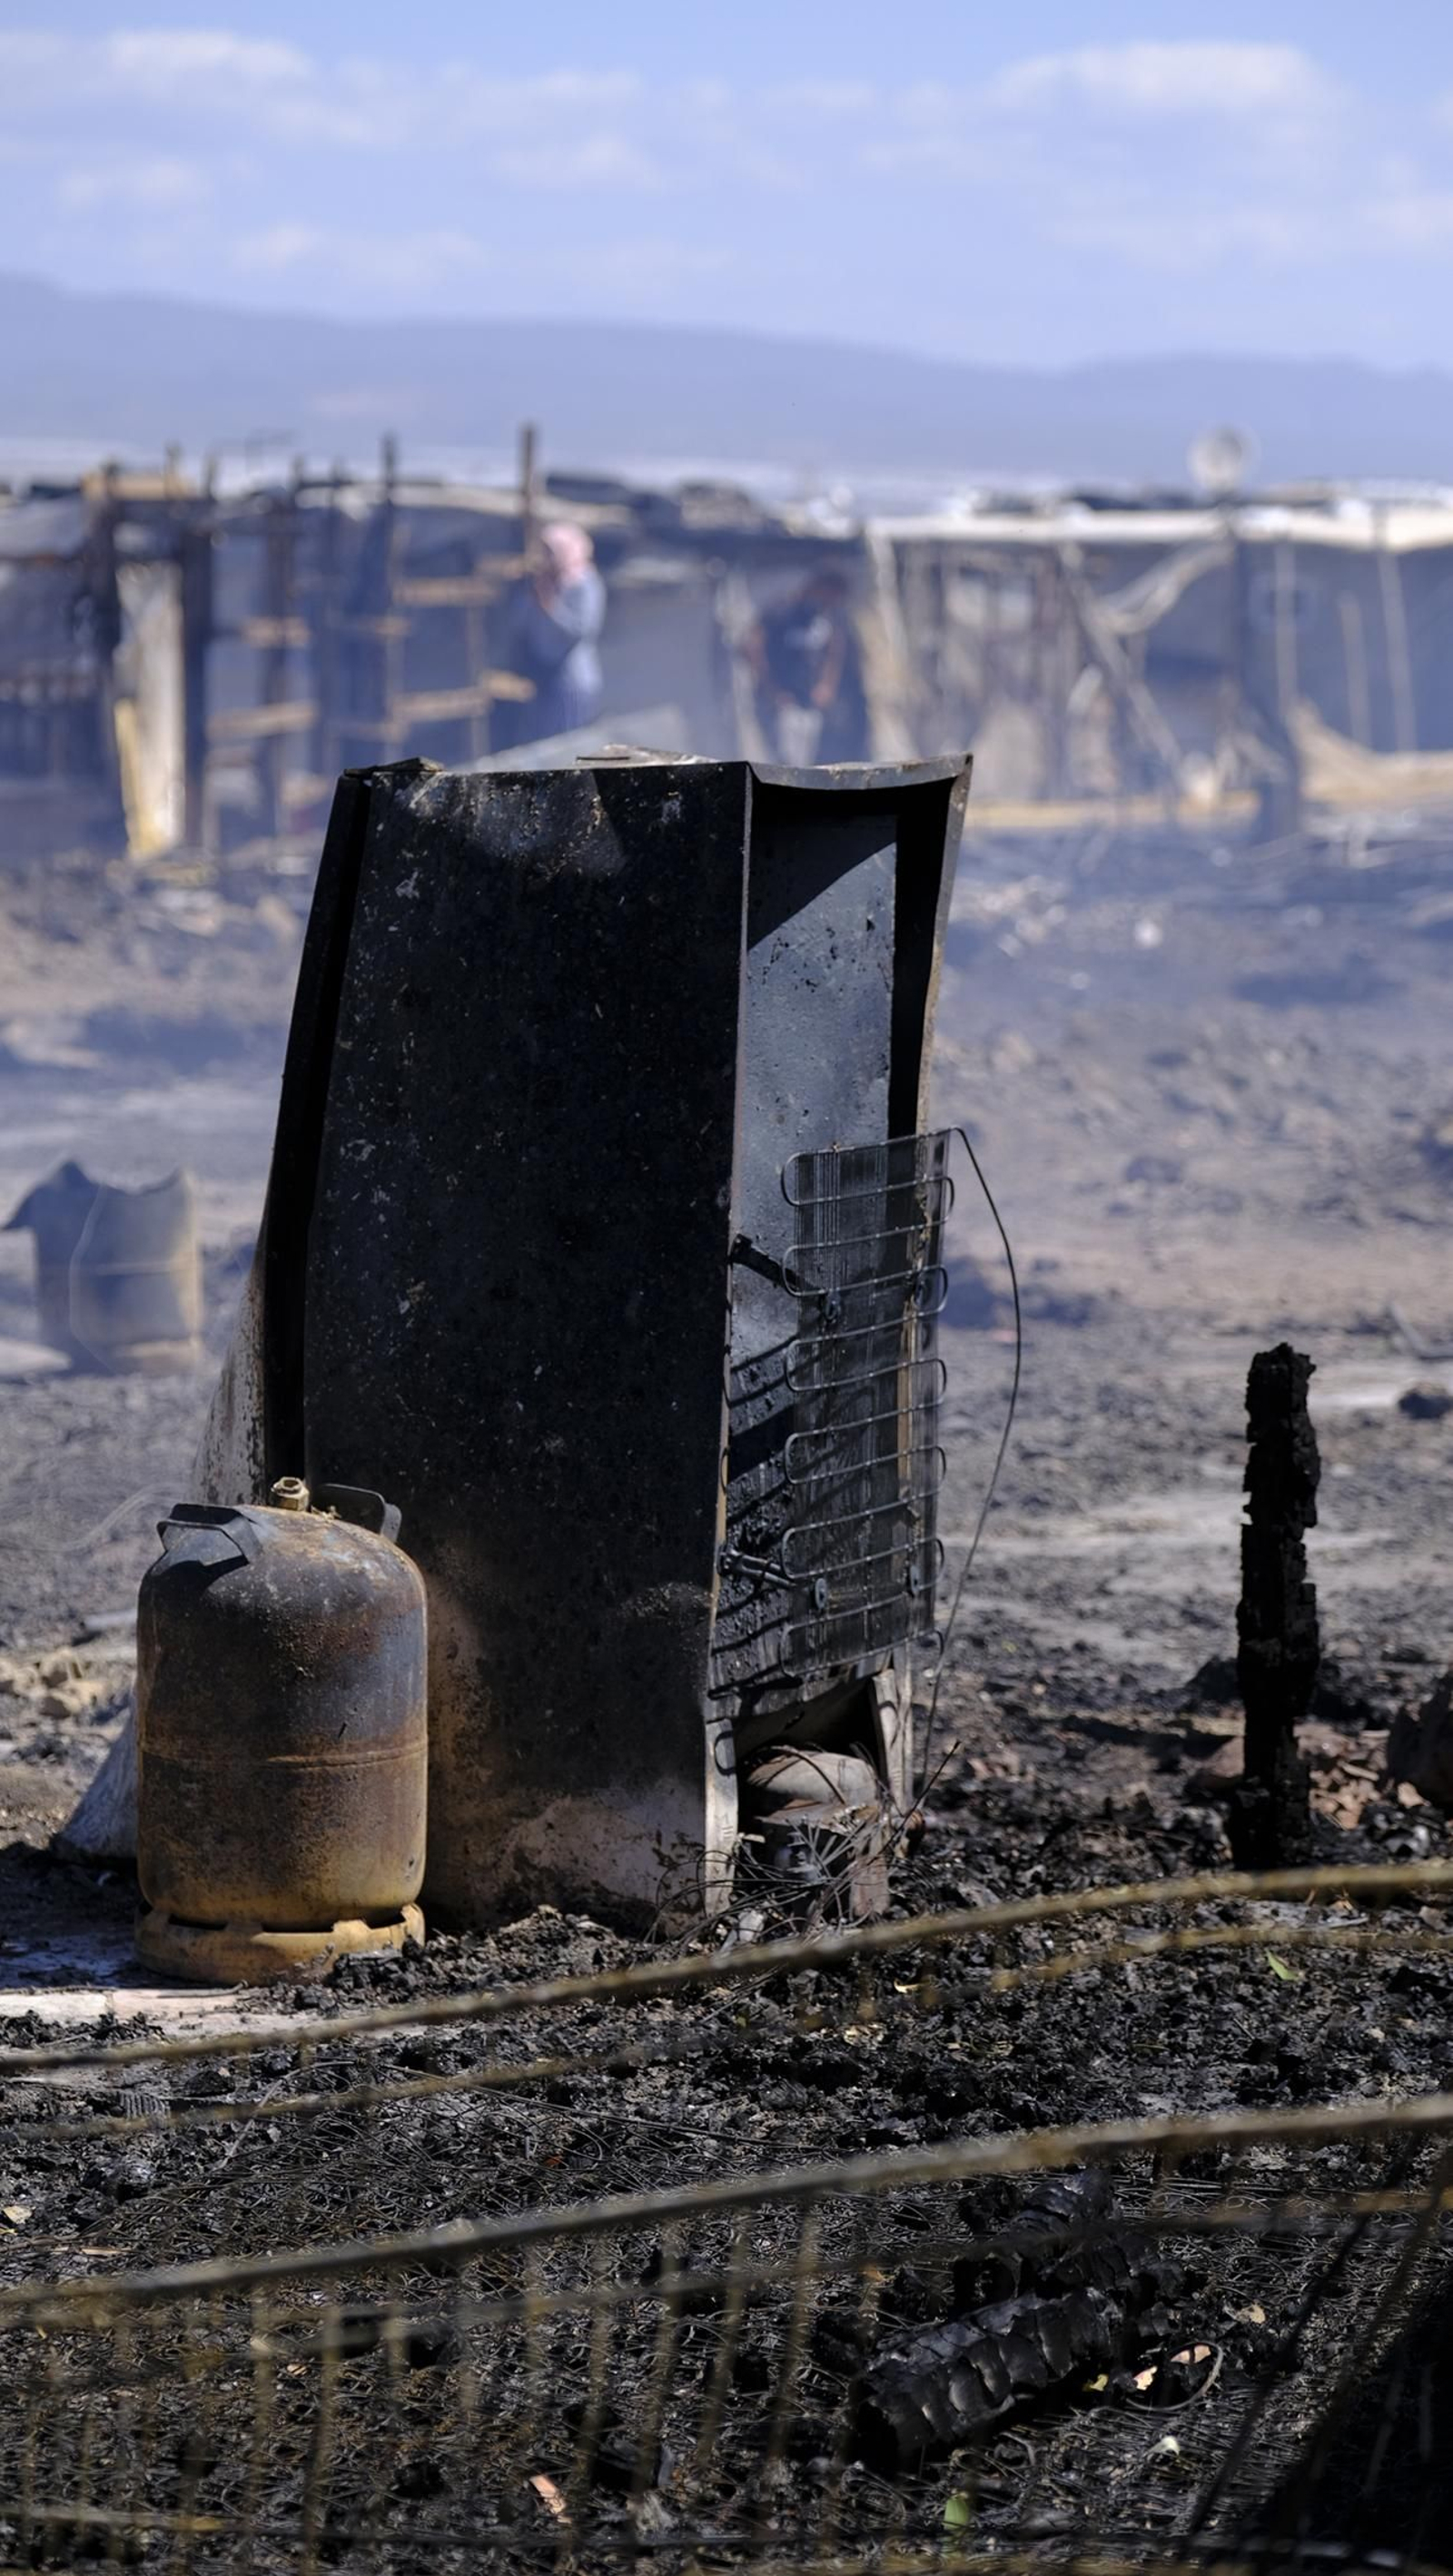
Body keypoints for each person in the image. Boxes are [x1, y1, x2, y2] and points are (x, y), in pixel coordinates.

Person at [749, 567, 868, 765]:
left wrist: (827, 684)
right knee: (782, 760)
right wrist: (772, 689)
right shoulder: (782, 611)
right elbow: (753, 646)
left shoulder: (824, 617)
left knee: (808, 760)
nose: (832, 602)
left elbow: (835, 646)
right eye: (831, 595)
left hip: (810, 701)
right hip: (782, 701)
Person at [507, 522, 606, 743]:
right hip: (546, 679)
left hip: (573, 683)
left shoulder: (585, 583)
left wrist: (549, 606)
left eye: (550, 552)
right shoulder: (548, 584)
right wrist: (529, 593)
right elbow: (520, 624)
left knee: (569, 747)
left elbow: (580, 629)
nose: (545, 558)